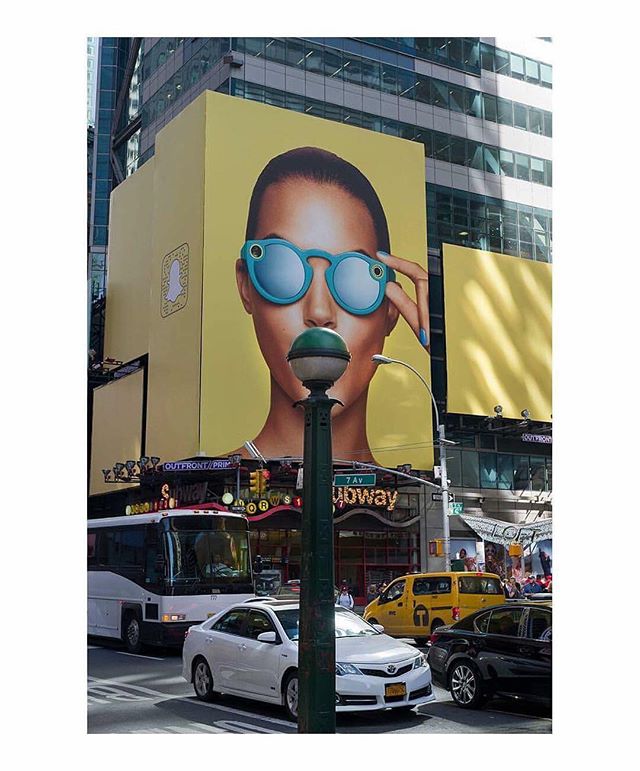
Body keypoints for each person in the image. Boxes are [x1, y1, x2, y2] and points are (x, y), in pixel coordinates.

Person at [234, 146, 430, 462]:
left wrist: (445, 358)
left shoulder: (410, 492)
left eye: (355, 278)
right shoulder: (206, 485)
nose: (319, 312)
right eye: (283, 268)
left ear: (391, 308)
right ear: (246, 285)